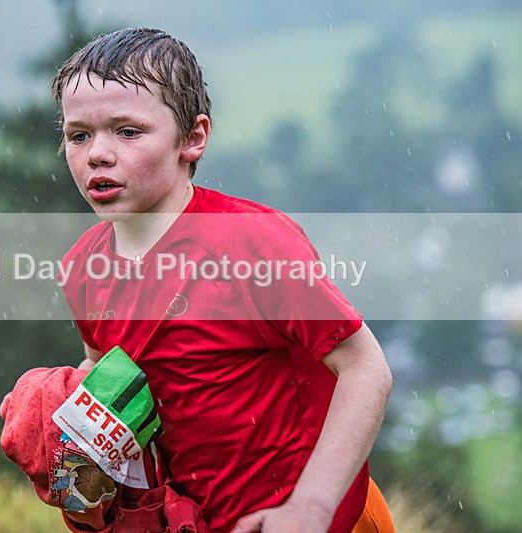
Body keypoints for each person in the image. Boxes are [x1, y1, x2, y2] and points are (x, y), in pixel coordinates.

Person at [50, 27, 394, 533]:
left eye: (128, 131)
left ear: (193, 138)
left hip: (324, 520)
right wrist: (73, 457)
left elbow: (366, 368)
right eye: (79, 135)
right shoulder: (82, 268)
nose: (98, 153)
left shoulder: (251, 243)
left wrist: (310, 509)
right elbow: (106, 371)